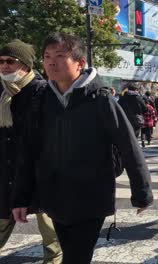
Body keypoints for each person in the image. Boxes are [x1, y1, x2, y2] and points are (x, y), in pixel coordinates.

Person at [12, 32, 153, 264]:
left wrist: (142, 192)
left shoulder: (100, 99)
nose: (51, 62)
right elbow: (29, 151)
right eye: (47, 56)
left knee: (76, 258)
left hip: (90, 198)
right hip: (55, 196)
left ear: (80, 63)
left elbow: (128, 145)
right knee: (71, 254)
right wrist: (20, 197)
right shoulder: (42, 100)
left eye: (59, 55)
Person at [0, 39, 62, 263]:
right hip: (7, 177)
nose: (4, 66)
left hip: (40, 177)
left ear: (25, 65)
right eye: (1, 61)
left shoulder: (42, 91)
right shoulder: (2, 93)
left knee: (53, 240)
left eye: (10, 61)